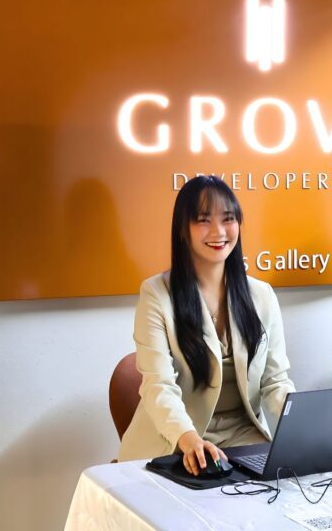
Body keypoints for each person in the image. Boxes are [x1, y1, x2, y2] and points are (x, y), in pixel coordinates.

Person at [117, 176, 295, 475]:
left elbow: (275, 381)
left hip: (243, 439)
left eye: (228, 218)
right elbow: (158, 386)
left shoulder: (261, 295)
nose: (219, 231)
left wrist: (304, 423)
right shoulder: (157, 294)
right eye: (203, 220)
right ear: (182, 229)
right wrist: (189, 439)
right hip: (177, 441)